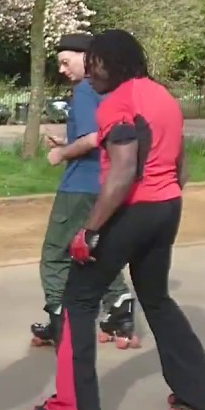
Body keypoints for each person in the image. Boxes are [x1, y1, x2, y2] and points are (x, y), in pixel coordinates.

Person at [31, 30, 205, 410]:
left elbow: (121, 172)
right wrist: (158, 205)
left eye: (96, 63)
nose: (90, 72)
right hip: (167, 207)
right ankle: (200, 398)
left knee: (78, 299)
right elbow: (181, 168)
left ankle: (73, 409)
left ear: (116, 63)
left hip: (133, 210)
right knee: (157, 298)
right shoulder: (162, 96)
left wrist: (90, 229)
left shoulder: (118, 103)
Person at [33, 33, 135, 349]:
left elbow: (93, 138)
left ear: (87, 58)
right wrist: (68, 141)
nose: (62, 70)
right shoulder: (111, 89)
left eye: (66, 62)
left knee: (56, 254)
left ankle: (59, 320)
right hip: (106, 185)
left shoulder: (85, 90)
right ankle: (119, 311)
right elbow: (105, 135)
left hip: (79, 187)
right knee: (92, 249)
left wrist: (61, 153)